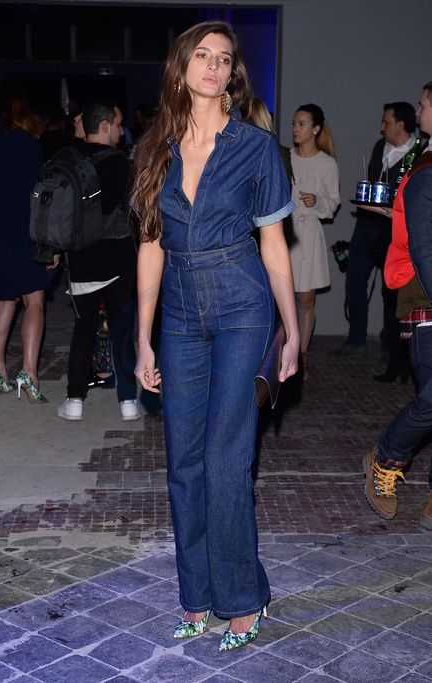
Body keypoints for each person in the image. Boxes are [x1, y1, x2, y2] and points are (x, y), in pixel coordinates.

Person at [131, 21, 299, 651]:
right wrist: (142, 339)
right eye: (201, 55)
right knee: (184, 461)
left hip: (240, 302)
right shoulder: (156, 147)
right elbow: (151, 246)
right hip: (178, 310)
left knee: (227, 457)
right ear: (182, 68)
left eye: (223, 59)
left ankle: (241, 598)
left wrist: (292, 332)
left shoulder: (256, 148)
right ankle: (197, 596)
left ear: (232, 75)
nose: (212, 66)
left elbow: (274, 246)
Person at [363, 81, 432, 529]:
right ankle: (386, 457)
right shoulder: (425, 168)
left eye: (424, 104)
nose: (419, 111)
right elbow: (425, 253)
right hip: (426, 295)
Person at [57, 99, 140, 422]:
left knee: (84, 328)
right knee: (121, 328)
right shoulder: (118, 161)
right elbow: (135, 209)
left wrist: (53, 250)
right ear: (104, 126)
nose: (121, 131)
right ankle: (128, 401)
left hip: (81, 260)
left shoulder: (67, 159)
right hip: (119, 260)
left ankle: (74, 400)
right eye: (117, 125)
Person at [333, 102, 417, 371]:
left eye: (386, 122)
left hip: (391, 230)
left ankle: (388, 346)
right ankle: (357, 340)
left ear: (401, 125)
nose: (381, 128)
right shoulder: (380, 147)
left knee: (389, 290)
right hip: (365, 225)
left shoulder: (418, 153)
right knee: (354, 281)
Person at [0, 79, 52, 403]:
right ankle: (29, 372)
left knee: (6, 298)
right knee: (34, 300)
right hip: (24, 231)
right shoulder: (27, 143)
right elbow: (37, 194)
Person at [289, 104, 340, 379]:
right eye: (294, 124)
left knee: (305, 299)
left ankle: (302, 355)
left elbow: (333, 203)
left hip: (308, 233)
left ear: (316, 129)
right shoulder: (286, 157)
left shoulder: (326, 164)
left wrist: (317, 201)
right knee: (280, 295)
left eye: (302, 124)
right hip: (285, 232)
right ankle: (281, 352)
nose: (295, 129)